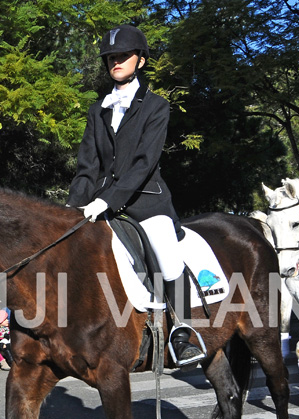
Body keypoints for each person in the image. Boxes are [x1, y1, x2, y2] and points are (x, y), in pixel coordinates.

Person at [66, 23, 204, 368]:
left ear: (140, 60)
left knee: (166, 255)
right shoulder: (98, 109)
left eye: (123, 56)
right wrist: (73, 206)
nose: (116, 62)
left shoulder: (156, 106)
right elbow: (87, 165)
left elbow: (144, 162)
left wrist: (108, 200)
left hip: (146, 201)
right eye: (111, 57)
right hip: (100, 202)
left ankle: (183, 332)